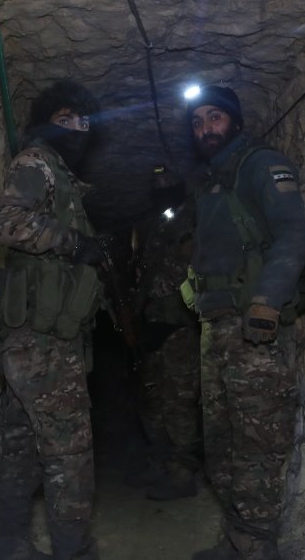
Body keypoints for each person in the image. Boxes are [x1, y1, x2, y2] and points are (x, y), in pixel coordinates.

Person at [184, 85, 305, 560]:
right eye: (197, 123)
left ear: (235, 122)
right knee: (221, 440)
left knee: (258, 442)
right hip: (215, 323)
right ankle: (237, 538)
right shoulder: (210, 180)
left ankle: (258, 547)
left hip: (251, 324)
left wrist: (266, 301)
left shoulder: (259, 165)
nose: (205, 129)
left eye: (214, 118)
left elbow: (294, 233)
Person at [0, 79, 105, 560]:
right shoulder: (38, 163)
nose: (78, 128)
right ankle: (72, 551)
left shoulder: (60, 175)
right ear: (46, 123)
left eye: (84, 121)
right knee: (68, 451)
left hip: (33, 336)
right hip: (42, 342)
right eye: (66, 119)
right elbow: (9, 222)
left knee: (21, 444)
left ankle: (13, 543)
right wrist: (74, 243)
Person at [126, 166, 202, 501]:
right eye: (155, 182)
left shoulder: (192, 219)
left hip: (180, 324)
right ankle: (160, 461)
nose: (162, 187)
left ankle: (182, 472)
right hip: (153, 322)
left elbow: (189, 264)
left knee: (179, 401)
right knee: (152, 398)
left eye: (167, 181)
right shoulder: (153, 224)